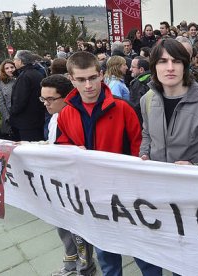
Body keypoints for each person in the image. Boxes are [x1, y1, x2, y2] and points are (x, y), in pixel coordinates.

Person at [55, 51, 157, 276]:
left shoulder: (123, 108)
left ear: (101, 75)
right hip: (92, 196)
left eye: (92, 77)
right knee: (106, 253)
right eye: (81, 80)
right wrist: (72, 151)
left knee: (143, 251)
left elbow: (139, 148)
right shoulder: (65, 114)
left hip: (127, 194)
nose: (88, 85)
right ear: (71, 79)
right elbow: (61, 147)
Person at [140, 38, 198, 168]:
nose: (170, 68)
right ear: (154, 66)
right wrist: (145, 153)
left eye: (176, 61)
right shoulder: (147, 100)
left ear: (185, 66)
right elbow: (147, 135)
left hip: (194, 184)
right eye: (163, 61)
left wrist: (197, 167)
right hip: (158, 183)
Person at [38, 75, 83, 276]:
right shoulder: (55, 118)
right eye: (43, 99)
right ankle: (71, 262)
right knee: (62, 226)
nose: (46, 104)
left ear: (66, 97)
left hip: (74, 185)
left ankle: (83, 266)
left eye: (51, 99)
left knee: (79, 230)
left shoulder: (77, 119)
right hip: (56, 183)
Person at [10, 50, 45, 141]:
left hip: (26, 122)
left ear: (21, 61)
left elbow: (19, 100)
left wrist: (12, 112)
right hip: (37, 118)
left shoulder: (24, 76)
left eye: (15, 59)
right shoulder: (37, 73)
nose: (13, 62)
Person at [0, 59, 16, 137]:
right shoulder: (0, 81)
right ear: (3, 70)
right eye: (7, 68)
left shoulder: (20, 78)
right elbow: (1, 101)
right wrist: (7, 117)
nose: (10, 70)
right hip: (9, 115)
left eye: (12, 67)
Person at [129, 56, 151, 120]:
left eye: (133, 67)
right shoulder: (152, 78)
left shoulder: (138, 83)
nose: (130, 69)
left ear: (141, 69)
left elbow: (135, 106)